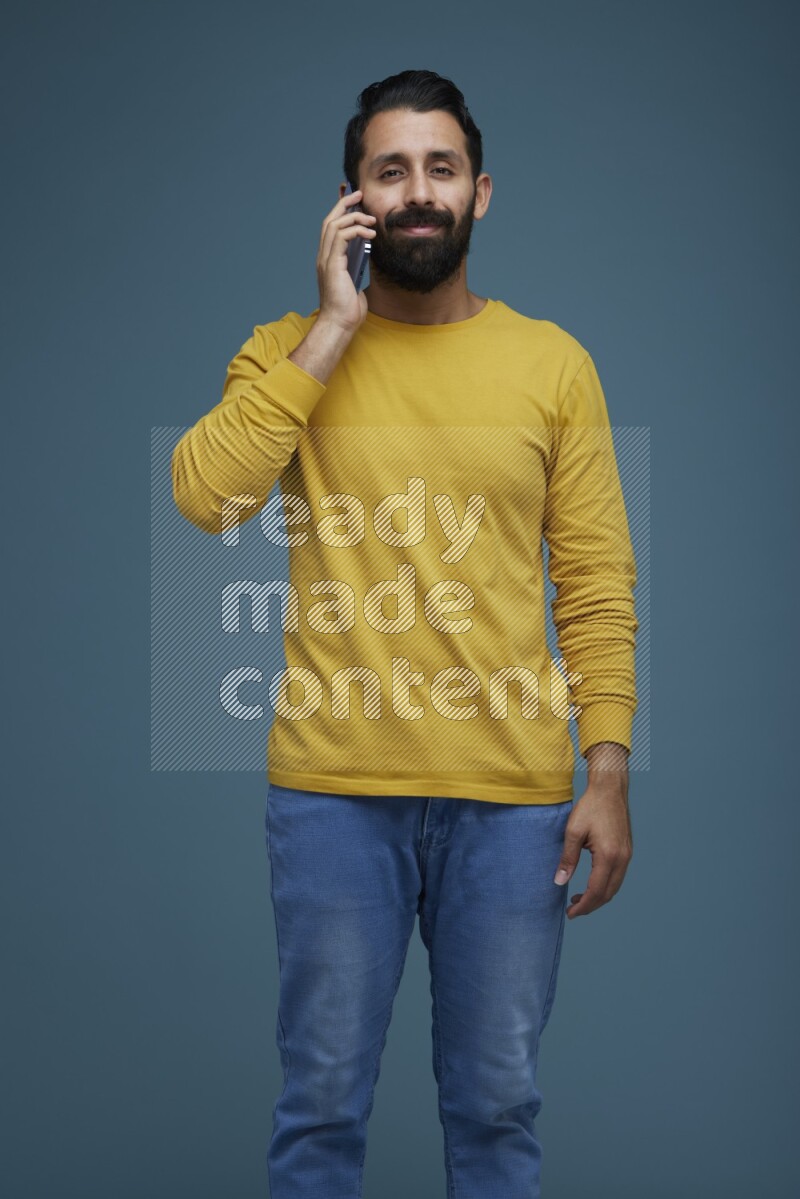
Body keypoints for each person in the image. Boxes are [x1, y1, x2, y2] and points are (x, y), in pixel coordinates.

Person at [172, 68, 638, 1199]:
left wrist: (606, 765)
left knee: (495, 1109)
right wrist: (333, 325)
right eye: (391, 171)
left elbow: (592, 576)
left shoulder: (551, 364)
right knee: (320, 1105)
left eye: (439, 167)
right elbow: (207, 494)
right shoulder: (288, 349)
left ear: (481, 192)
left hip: (514, 801)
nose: (417, 190)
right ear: (352, 201)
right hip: (334, 791)